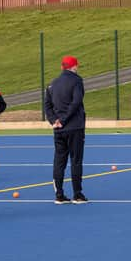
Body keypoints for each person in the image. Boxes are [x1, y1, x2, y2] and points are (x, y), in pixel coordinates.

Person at [44, 55, 89, 204]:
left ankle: (59, 195)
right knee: (76, 160)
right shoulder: (77, 81)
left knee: (59, 160)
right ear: (74, 66)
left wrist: (54, 121)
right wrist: (63, 120)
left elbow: (47, 106)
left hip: (59, 129)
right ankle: (77, 194)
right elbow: (76, 102)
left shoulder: (52, 84)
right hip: (74, 126)